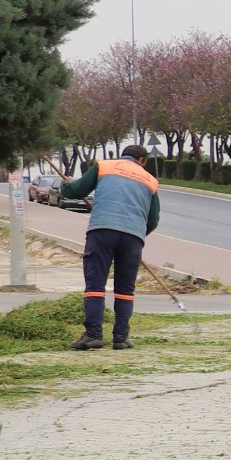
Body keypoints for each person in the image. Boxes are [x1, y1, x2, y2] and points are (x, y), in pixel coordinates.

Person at [60, 143, 161, 351]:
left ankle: (93, 336)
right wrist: (135, 235)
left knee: (95, 284)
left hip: (102, 232)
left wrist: (67, 184)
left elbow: (75, 191)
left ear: (122, 156)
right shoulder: (150, 181)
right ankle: (121, 338)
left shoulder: (104, 166)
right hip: (133, 237)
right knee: (125, 289)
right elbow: (153, 220)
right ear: (142, 161)